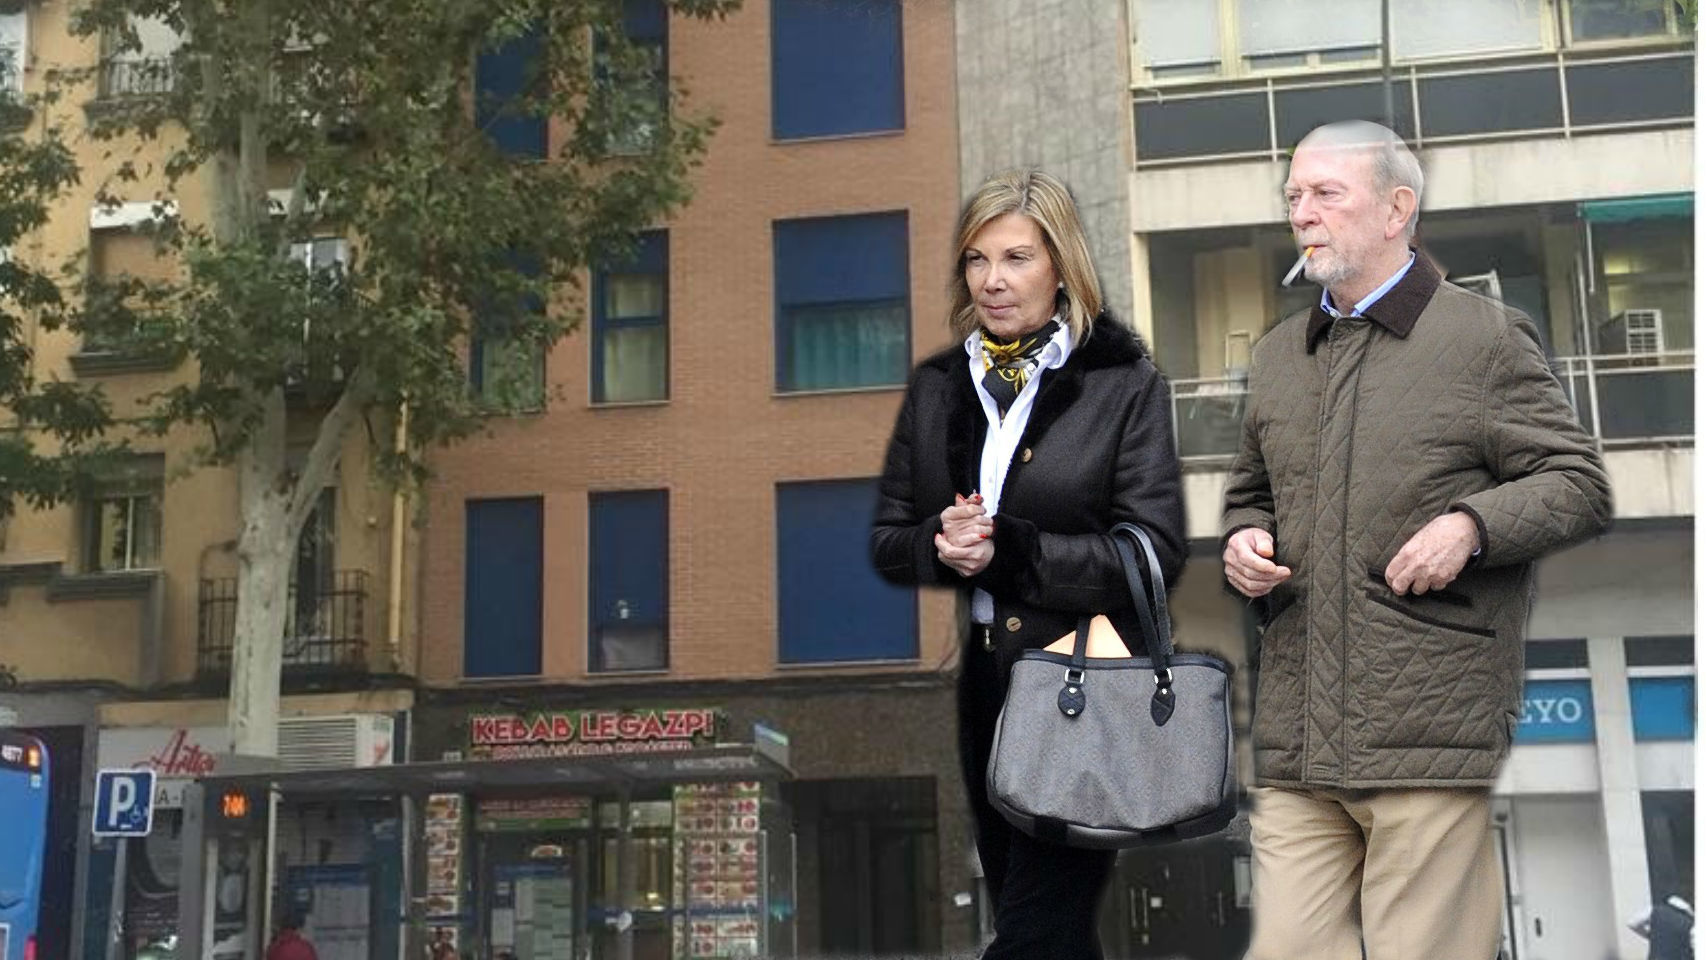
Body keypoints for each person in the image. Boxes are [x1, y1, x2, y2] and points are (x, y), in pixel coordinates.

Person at [1221, 119, 1612, 960]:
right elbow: (1252, 492)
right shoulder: (1280, 355)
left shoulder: (1483, 338)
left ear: (1398, 207)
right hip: (1296, 736)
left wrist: (1472, 526)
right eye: (1294, 195)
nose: (1303, 212)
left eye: (1327, 193)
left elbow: (1577, 484)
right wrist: (1244, 538)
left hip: (1428, 729)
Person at [872, 169, 1185, 958]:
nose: (992, 280)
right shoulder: (938, 387)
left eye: (1015, 258)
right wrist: (942, 545)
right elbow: (889, 540)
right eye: (976, 260)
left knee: (1037, 927)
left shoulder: (1123, 384)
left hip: (1083, 679)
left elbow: (1151, 549)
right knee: (1038, 919)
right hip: (985, 684)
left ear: (1061, 267)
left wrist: (1012, 550)